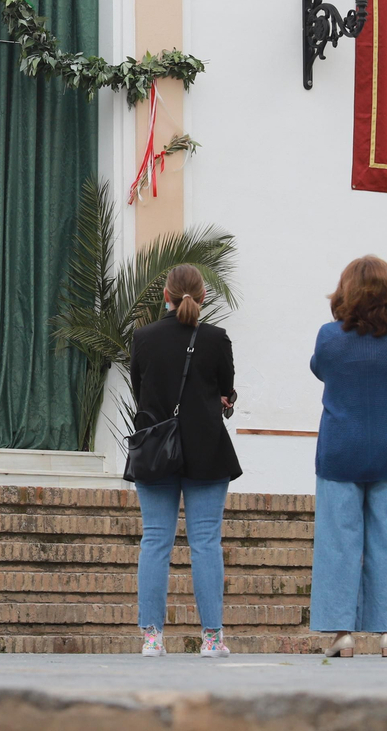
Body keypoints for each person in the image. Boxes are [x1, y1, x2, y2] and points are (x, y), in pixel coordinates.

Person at [309, 255, 387, 659]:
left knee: (338, 543)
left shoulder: (327, 337)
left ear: (345, 291)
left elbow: (319, 370)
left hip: (340, 450)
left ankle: (342, 636)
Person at [129, 264, 240, 658]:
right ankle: (212, 639)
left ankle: (152, 638)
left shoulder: (143, 337)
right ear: (203, 296)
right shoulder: (216, 338)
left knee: (155, 539)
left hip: (158, 450)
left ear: (166, 295)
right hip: (206, 449)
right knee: (206, 542)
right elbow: (226, 388)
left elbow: (140, 392)